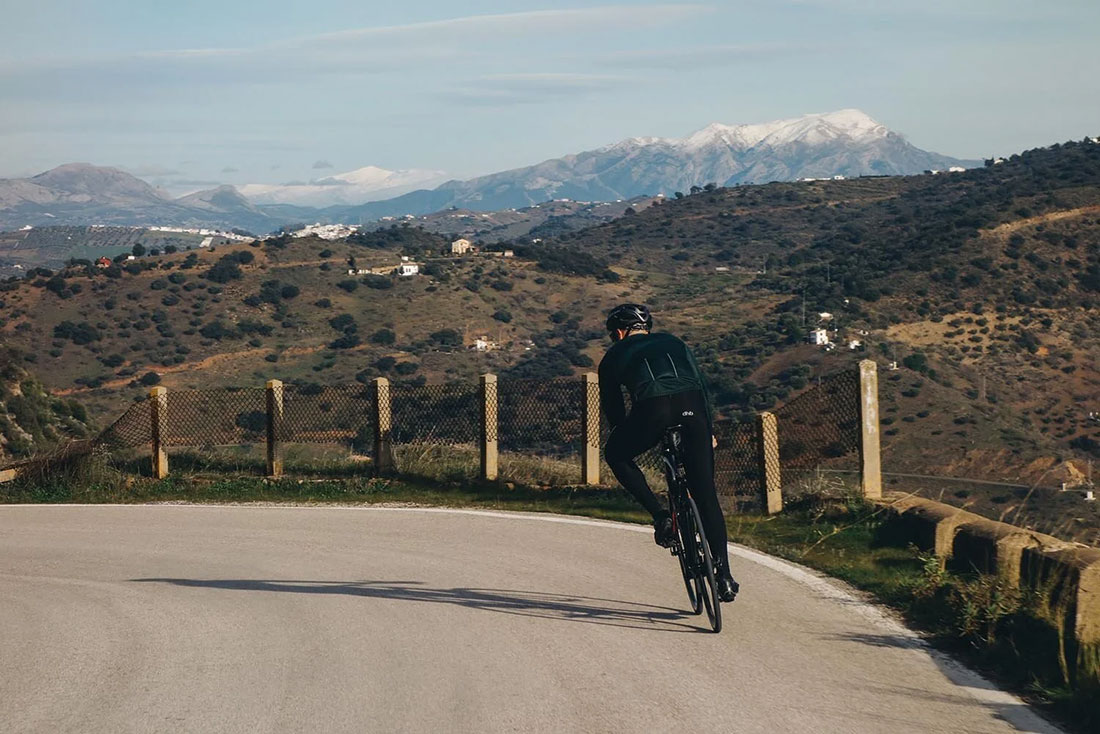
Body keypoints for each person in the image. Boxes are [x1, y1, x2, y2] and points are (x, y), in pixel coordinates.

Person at [599, 304, 738, 602]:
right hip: (694, 409)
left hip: (652, 410)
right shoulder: (675, 343)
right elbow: (701, 387)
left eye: (614, 334)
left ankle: (661, 516)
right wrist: (708, 430)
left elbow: (614, 408)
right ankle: (724, 575)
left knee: (616, 454)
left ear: (620, 332)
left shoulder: (613, 355)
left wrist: (624, 433)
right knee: (706, 494)